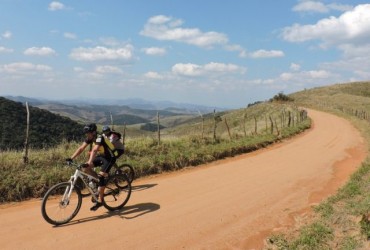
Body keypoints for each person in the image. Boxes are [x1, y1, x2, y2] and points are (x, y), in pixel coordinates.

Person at [67, 123, 118, 211]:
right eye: (86, 133)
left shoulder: (99, 137)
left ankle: (100, 200)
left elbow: (94, 150)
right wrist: (71, 158)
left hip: (110, 157)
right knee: (85, 168)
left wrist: (89, 162)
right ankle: (98, 183)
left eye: (88, 133)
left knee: (101, 175)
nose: (87, 135)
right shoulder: (90, 138)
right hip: (102, 156)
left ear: (93, 132)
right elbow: (81, 148)